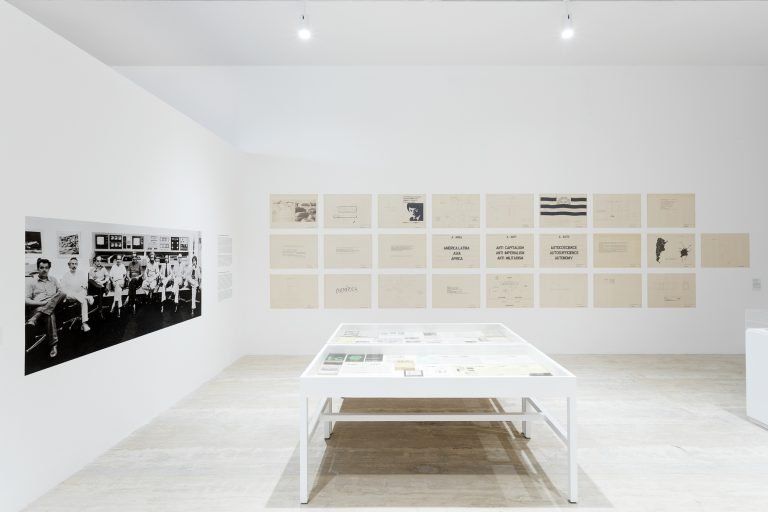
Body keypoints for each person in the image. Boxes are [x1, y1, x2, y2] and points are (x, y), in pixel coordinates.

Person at [25, 258, 66, 358]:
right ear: (37, 269)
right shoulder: (31, 282)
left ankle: (34, 319)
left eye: (46, 268)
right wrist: (42, 302)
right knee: (49, 314)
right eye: (42, 267)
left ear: (49, 269)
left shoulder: (54, 280)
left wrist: (52, 301)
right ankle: (54, 345)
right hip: (37, 308)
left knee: (63, 293)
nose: (44, 270)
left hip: (53, 307)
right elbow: (26, 300)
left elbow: (61, 293)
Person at [60, 257, 93, 332]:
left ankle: (84, 323)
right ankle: (87, 297)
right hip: (70, 296)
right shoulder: (65, 276)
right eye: (72, 264)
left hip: (80, 294)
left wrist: (82, 290)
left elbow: (85, 286)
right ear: (69, 265)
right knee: (74, 295)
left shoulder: (81, 274)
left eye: (75, 264)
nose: (74, 265)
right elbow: (63, 289)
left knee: (83, 299)